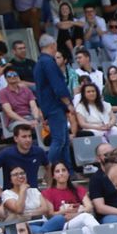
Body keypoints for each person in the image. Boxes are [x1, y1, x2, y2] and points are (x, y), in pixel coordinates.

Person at [33, 34, 74, 172]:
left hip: (49, 105)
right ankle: (49, 170)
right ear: (53, 45)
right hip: (54, 106)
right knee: (59, 140)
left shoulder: (40, 62)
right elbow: (58, 86)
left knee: (64, 142)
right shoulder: (48, 62)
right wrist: (68, 103)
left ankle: (68, 171)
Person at [0, 122, 49, 191]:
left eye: (30, 136)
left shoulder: (39, 152)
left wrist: (49, 189)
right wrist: (0, 193)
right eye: (24, 137)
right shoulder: (6, 153)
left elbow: (49, 168)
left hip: (33, 194)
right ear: (16, 139)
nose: (28, 140)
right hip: (12, 196)